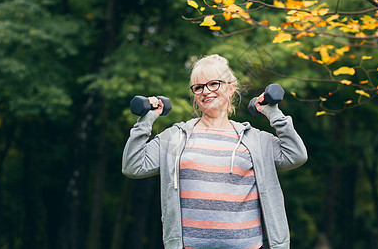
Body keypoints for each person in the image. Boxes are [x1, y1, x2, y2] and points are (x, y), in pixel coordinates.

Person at [122, 54, 308, 249]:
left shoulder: (254, 139)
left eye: (214, 84)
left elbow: (296, 154)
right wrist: (146, 120)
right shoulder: (174, 138)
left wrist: (273, 113)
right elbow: (133, 166)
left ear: (231, 88)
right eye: (199, 87)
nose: (205, 91)